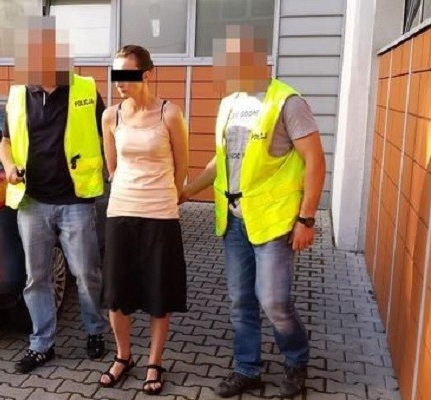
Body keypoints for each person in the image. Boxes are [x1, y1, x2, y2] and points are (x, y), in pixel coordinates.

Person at [181, 25, 326, 398]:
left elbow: (315, 160)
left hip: (274, 220)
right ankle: (247, 369)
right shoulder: (230, 102)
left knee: (274, 301)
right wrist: (187, 191)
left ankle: (296, 359)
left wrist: (307, 219)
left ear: (259, 58)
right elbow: (221, 161)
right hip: (234, 221)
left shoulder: (287, 101)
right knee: (240, 301)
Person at [0, 15, 109, 373]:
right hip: (32, 201)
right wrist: (7, 166)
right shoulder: (18, 94)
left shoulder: (86, 89)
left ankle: (95, 331)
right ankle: (41, 344)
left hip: (76, 199)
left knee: (87, 273)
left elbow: (108, 134)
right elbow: (5, 142)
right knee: (37, 278)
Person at [98, 45, 189, 396]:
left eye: (127, 74)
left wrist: (168, 194)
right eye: (116, 74)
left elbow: (181, 167)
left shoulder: (170, 113)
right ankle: (123, 356)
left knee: (157, 291)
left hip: (160, 213)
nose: (120, 82)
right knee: (116, 292)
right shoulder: (111, 117)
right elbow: (112, 167)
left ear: (147, 74)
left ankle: (154, 362)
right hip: (121, 210)